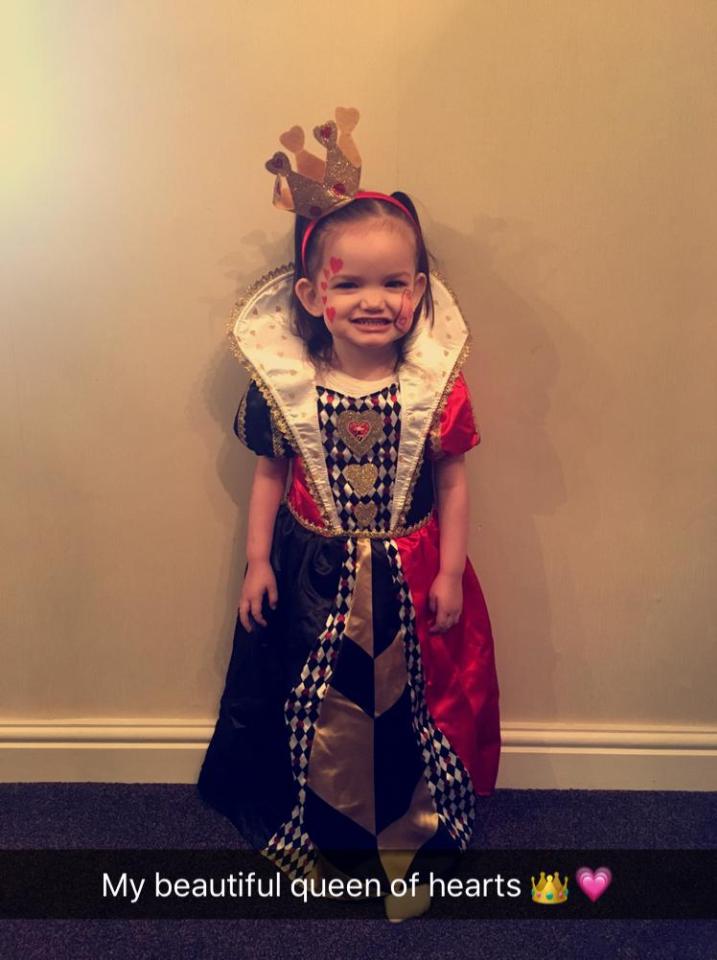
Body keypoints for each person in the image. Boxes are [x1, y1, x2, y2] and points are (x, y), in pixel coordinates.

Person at [197, 110, 501, 922]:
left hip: (409, 571)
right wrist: (258, 561)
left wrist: (446, 572)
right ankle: (318, 833)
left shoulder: (436, 387)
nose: (375, 301)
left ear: (419, 292)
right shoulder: (287, 387)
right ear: (311, 293)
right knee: (314, 703)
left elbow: (456, 481)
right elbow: (270, 472)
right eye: (349, 282)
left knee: (405, 708)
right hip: (310, 575)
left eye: (394, 283)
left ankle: (406, 834)